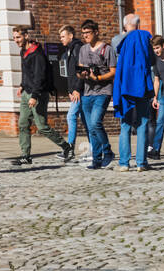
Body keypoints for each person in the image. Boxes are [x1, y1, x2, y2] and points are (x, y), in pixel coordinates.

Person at [11, 26, 70, 166]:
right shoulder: (23, 51)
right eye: (14, 38)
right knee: (23, 123)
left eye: (18, 37)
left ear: (25, 36)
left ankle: (66, 147)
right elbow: (26, 72)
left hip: (38, 94)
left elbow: (40, 76)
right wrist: (21, 85)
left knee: (41, 126)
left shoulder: (37, 53)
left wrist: (35, 95)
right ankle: (25, 155)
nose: (16, 40)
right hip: (27, 92)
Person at [113, 14, 156, 171]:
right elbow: (152, 60)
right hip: (142, 86)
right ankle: (141, 163)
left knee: (125, 124)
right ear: (138, 25)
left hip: (125, 85)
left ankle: (124, 163)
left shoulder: (117, 40)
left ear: (125, 26)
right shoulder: (144, 37)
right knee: (143, 123)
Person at [78, 20, 115, 170]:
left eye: (88, 32)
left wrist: (98, 78)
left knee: (95, 123)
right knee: (91, 128)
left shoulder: (107, 49)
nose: (85, 35)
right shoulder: (83, 49)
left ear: (96, 32)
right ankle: (97, 159)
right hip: (87, 92)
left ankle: (107, 151)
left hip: (103, 91)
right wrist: (83, 75)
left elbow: (113, 72)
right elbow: (79, 70)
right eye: (83, 33)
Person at [59, 25, 85, 159]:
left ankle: (69, 150)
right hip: (74, 91)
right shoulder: (70, 49)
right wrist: (70, 90)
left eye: (63, 36)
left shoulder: (77, 47)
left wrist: (77, 89)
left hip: (79, 91)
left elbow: (81, 70)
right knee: (86, 121)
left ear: (70, 36)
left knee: (71, 116)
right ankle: (97, 150)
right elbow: (70, 73)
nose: (61, 39)